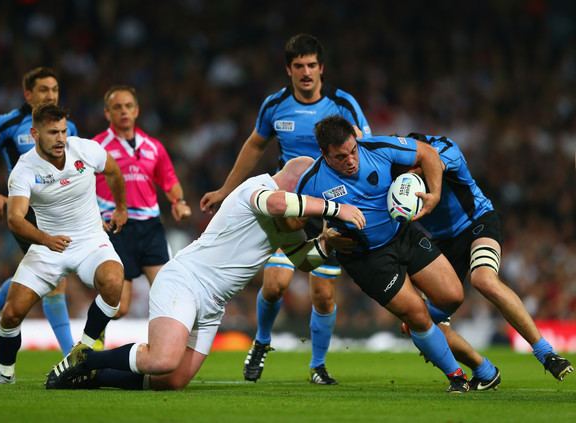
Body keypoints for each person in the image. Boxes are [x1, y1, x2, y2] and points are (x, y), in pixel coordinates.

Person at [45, 156, 366, 391]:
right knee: (162, 360)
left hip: (213, 305)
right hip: (185, 280)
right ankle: (85, 360)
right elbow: (279, 205)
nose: (306, 216)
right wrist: (334, 208)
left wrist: (325, 243)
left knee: (172, 380)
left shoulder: (288, 229)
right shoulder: (259, 188)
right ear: (296, 187)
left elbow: (305, 261)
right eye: (308, 196)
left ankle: (93, 377)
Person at [200, 33, 371, 385]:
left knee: (323, 296)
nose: (306, 72)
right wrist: (226, 189)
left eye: (311, 65)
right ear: (288, 70)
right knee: (275, 284)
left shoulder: (342, 104)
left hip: (330, 206)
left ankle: (318, 366)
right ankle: (262, 341)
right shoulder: (275, 105)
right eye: (299, 66)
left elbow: (365, 150)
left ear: (321, 68)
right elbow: (254, 145)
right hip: (290, 207)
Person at [297, 115, 472, 392]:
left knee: (453, 295)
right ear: (324, 154)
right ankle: (457, 376)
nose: (351, 160)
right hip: (366, 258)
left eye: (352, 151)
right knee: (416, 313)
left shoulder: (377, 147)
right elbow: (297, 235)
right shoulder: (311, 184)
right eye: (340, 157)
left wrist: (435, 194)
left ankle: (421, 331)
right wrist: (324, 240)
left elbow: (427, 152)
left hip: (403, 235)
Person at [402, 133, 573, 386]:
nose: (410, 170)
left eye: (414, 162)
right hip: (442, 243)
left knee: (483, 279)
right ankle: (484, 371)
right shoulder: (398, 173)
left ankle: (546, 353)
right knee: (418, 321)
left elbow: (434, 163)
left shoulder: (445, 149)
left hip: (478, 223)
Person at [0, 104, 127, 384]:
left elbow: (114, 171)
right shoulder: (23, 170)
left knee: (114, 281)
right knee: (11, 314)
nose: (60, 138)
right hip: (47, 246)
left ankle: (83, 349)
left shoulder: (85, 149)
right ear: (35, 133)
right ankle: (4, 374)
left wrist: (120, 208)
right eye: (52, 132)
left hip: (90, 240)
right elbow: (15, 219)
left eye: (63, 131)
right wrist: (46, 239)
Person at [0, 67, 78, 355]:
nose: (51, 95)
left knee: (41, 275)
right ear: (28, 94)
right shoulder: (6, 123)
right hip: (26, 210)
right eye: (44, 89)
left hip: (58, 209)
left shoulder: (66, 126)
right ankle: (71, 355)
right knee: (55, 277)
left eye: (55, 89)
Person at [94, 85, 191, 319]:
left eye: (128, 106)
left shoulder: (153, 146)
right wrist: (93, 217)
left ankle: (164, 350)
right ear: (107, 113)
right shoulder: (96, 147)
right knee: (119, 308)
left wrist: (178, 201)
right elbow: (81, 185)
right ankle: (94, 327)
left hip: (150, 227)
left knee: (166, 296)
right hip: (116, 228)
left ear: (137, 111)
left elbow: (169, 179)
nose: (124, 111)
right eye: (117, 107)